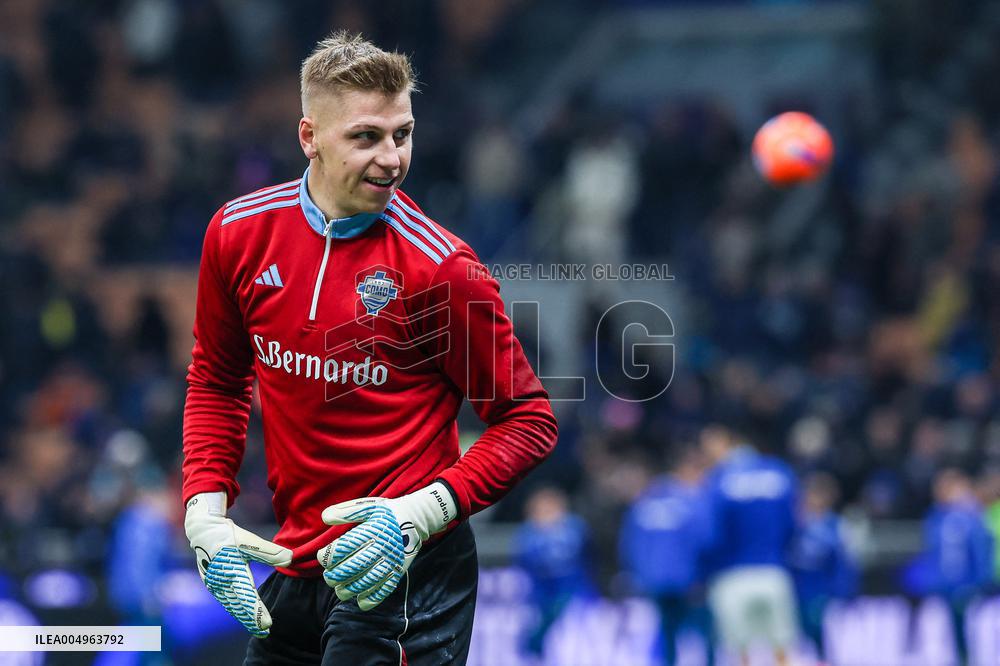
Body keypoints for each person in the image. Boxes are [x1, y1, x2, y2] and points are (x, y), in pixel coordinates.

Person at [180, 32, 558, 665]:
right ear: (309, 137)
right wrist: (204, 510)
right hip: (300, 562)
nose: (392, 159)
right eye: (366, 137)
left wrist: (421, 513)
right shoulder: (237, 235)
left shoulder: (442, 269)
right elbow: (217, 380)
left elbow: (528, 420)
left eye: (402, 134)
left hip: (408, 571)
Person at [701, 424, 800, 666]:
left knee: (739, 651)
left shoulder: (720, 478)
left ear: (727, 442)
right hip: (774, 571)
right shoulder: (780, 472)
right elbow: (794, 525)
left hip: (733, 575)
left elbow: (711, 534)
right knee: (782, 647)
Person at [618, 444, 713, 666]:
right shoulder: (691, 502)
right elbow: (706, 540)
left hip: (655, 581)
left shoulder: (645, 501)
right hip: (690, 581)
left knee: (666, 635)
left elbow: (629, 544)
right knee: (704, 637)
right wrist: (701, 575)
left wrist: (640, 576)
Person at [513, 486, 594, 656]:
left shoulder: (575, 527)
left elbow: (588, 555)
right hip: (541, 591)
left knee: (574, 630)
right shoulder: (529, 532)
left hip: (574, 590)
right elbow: (526, 560)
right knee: (541, 627)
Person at [787, 472, 857, 658]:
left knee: (823, 638)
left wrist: (842, 592)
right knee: (798, 637)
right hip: (798, 590)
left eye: (818, 494)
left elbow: (843, 563)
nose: (813, 499)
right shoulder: (795, 524)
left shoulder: (837, 525)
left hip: (823, 592)